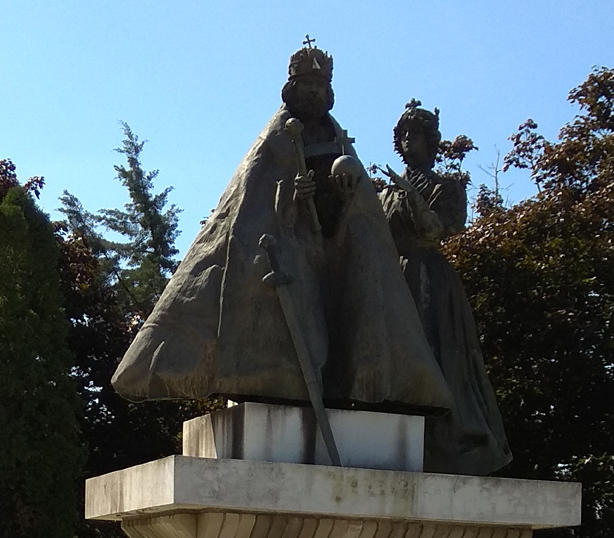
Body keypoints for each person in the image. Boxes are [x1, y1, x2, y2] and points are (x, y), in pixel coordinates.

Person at [112, 46, 452, 416]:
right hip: (286, 248)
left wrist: (345, 196)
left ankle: (348, 384)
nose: (313, 92)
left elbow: (364, 213)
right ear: (291, 88)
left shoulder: (339, 140)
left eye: (320, 85)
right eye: (306, 83)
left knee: (357, 301)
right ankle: (273, 383)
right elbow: (250, 207)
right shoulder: (274, 141)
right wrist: (290, 194)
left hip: (334, 249)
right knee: (295, 320)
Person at [379, 101, 511, 474]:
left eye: (415, 134)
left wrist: (412, 197)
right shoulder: (385, 193)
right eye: (403, 134)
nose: (408, 140)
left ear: (431, 141)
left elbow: (438, 230)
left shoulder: (446, 187)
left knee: (434, 351)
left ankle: (441, 435)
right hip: (392, 277)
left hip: (428, 279)